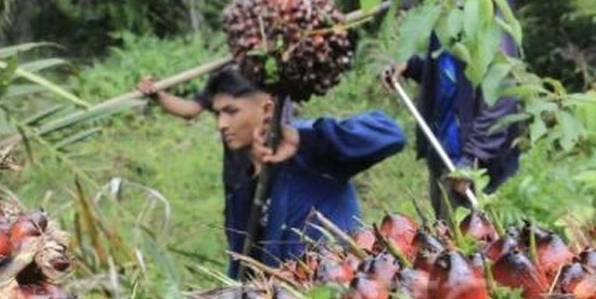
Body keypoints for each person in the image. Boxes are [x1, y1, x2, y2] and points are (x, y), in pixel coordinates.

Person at [140, 65, 405, 279]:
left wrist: (303, 139)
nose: (221, 124)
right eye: (218, 114)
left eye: (231, 112)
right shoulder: (242, 187)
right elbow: (242, 260)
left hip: (340, 292)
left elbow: (388, 133)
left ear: (267, 108)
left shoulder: (309, 146)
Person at [382, 0, 521, 222]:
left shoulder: (490, 1)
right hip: (443, 150)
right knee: (443, 249)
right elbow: (452, 75)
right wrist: (410, 67)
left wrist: (472, 161)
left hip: (471, 163)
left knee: (472, 250)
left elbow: (502, 90)